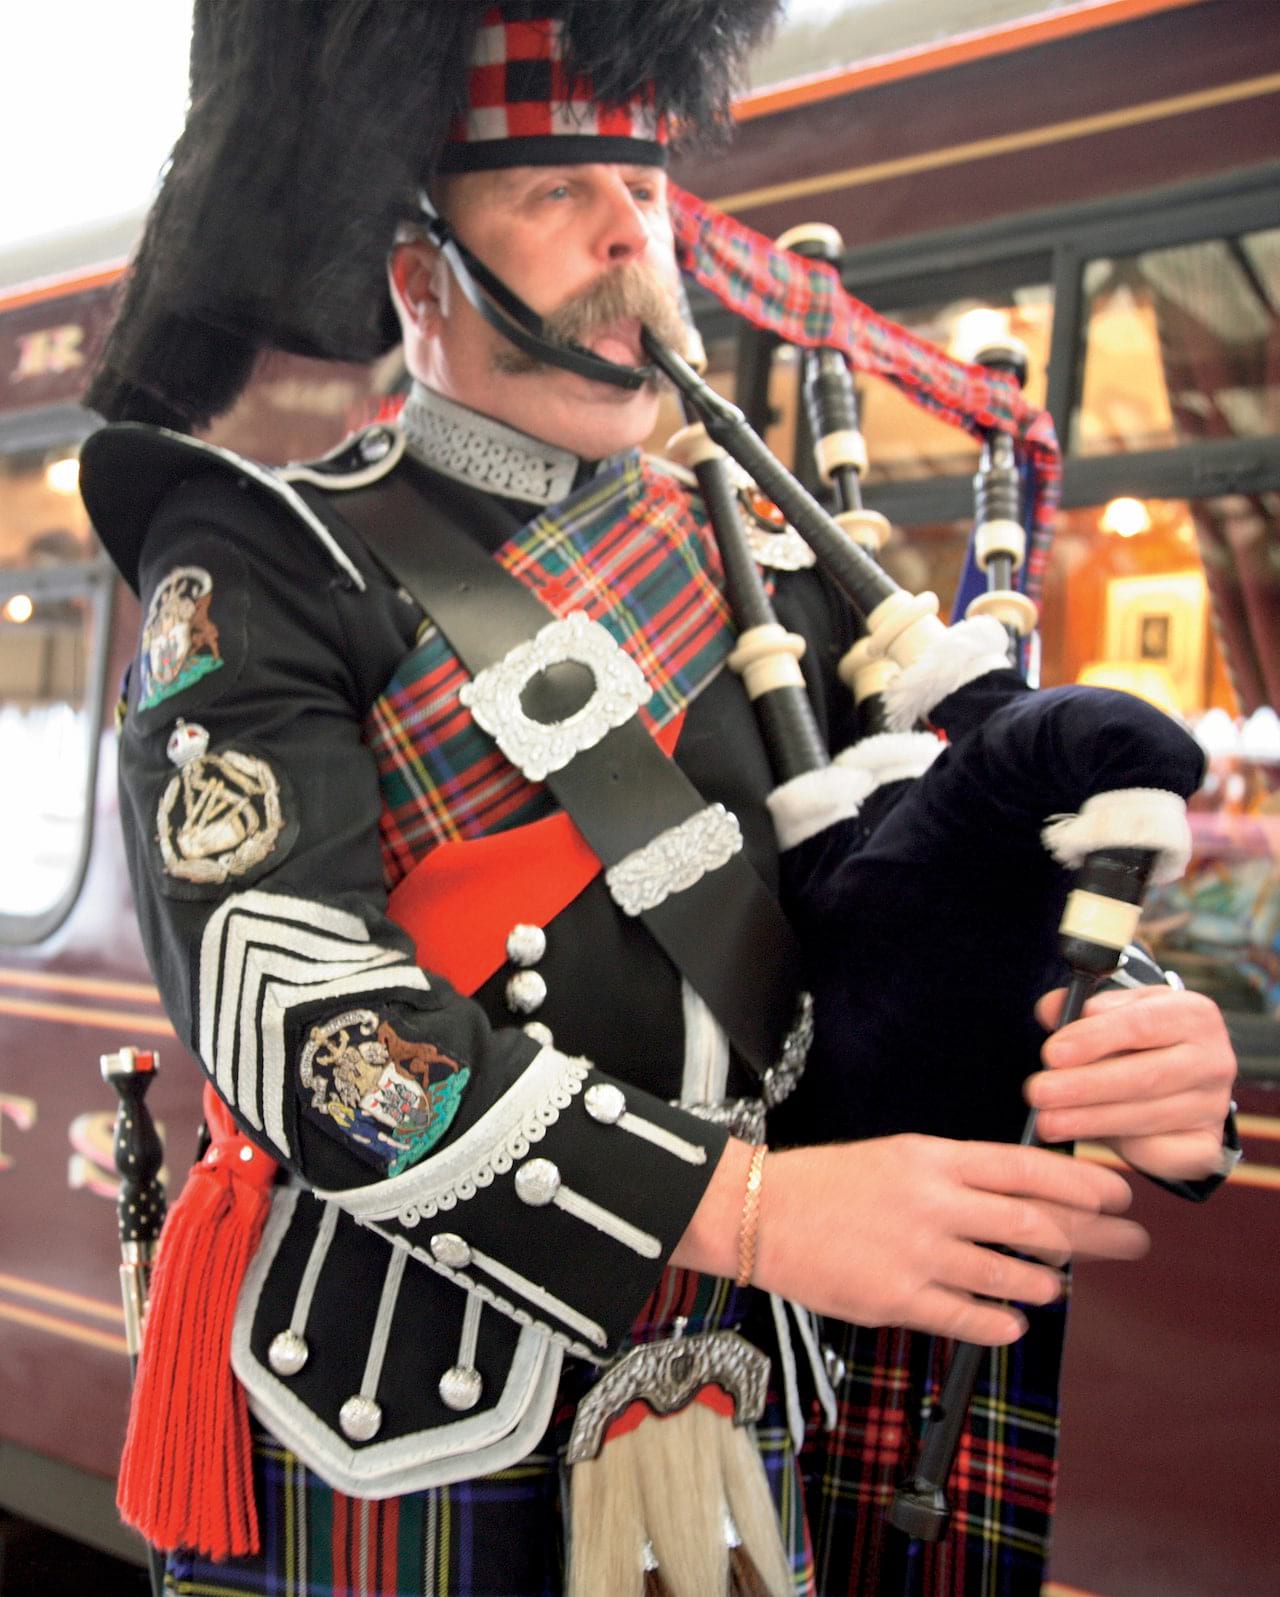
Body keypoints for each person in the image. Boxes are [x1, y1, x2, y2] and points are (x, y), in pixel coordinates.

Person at [79, 5, 1237, 1594]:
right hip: (414, 1425)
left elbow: (915, 891)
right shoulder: (269, 563)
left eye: (643, 185)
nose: (631, 232)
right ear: (420, 277)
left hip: (747, 1405)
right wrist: (752, 1207)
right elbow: (303, 1024)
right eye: (555, 188)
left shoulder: (769, 573)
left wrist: (1133, 1032)